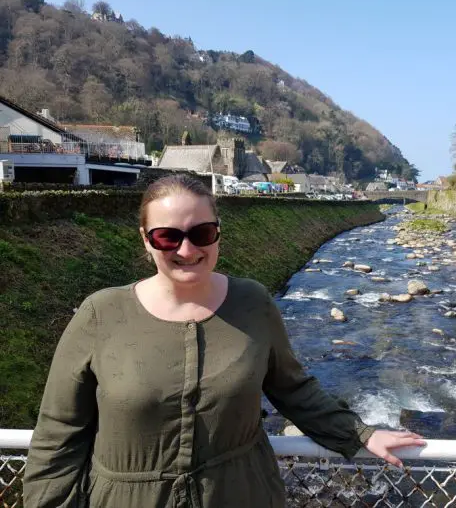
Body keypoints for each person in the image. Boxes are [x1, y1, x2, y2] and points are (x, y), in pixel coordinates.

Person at [23, 174, 425, 507]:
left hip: (241, 494)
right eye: (167, 236)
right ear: (146, 239)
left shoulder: (252, 301)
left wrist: (361, 434)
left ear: (218, 235)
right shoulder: (101, 312)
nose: (187, 249)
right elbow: (58, 434)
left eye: (202, 232)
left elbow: (293, 388)